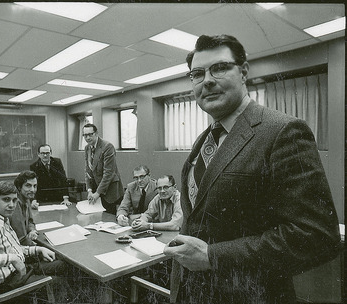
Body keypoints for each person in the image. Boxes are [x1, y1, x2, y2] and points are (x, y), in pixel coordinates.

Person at [163, 34, 341, 304]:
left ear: (244, 72)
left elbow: (317, 236)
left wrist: (213, 257)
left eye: (220, 68)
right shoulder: (204, 139)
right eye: (197, 74)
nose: (207, 80)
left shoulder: (283, 131)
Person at [0, 181, 66, 295]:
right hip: (9, 282)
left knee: (62, 265)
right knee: (60, 282)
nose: (12, 205)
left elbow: (11, 249)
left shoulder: (2, 219)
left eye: (14, 200)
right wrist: (12, 259)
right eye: (6, 199)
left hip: (19, 271)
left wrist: (37, 250)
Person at [83, 123, 124, 215]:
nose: (88, 138)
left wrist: (97, 193)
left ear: (96, 133)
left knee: (109, 218)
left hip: (110, 190)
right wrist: (89, 190)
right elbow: (87, 171)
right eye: (85, 135)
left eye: (90, 134)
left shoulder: (107, 147)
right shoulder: (87, 148)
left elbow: (108, 173)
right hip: (96, 188)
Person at [10, 170, 38, 246]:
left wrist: (32, 230)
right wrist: (36, 248)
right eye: (28, 186)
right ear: (19, 187)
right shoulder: (15, 203)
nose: (32, 190)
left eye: (35, 186)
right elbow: (21, 238)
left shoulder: (26, 198)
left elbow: (30, 221)